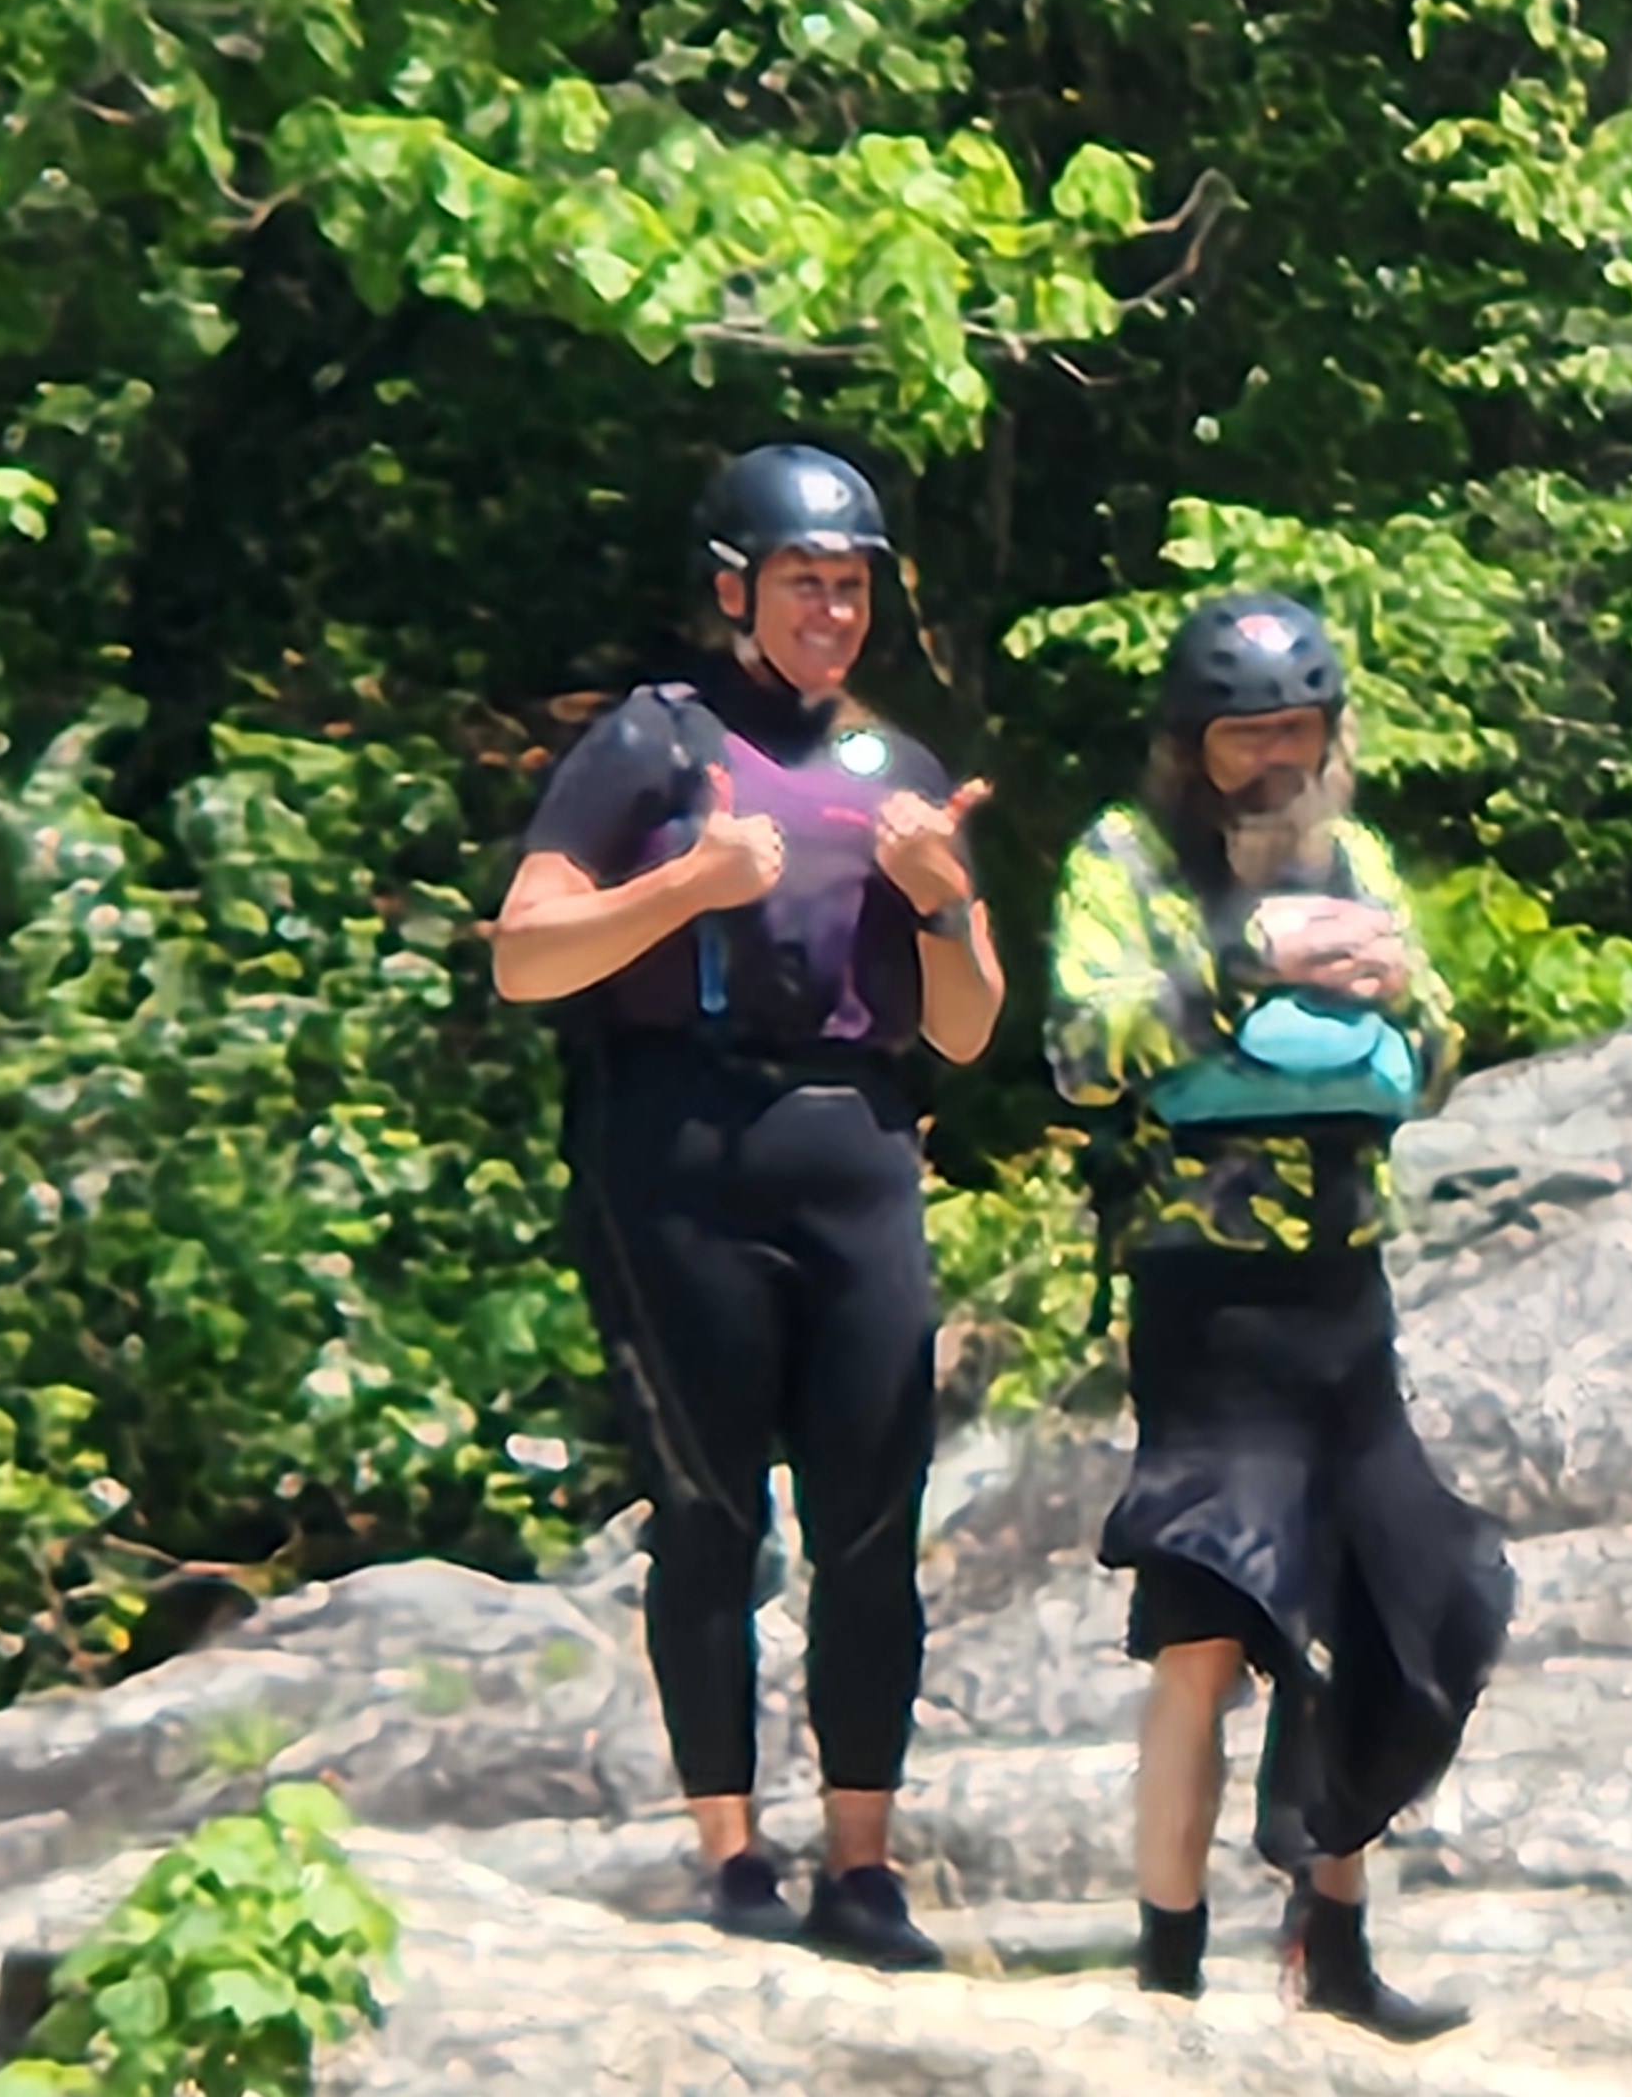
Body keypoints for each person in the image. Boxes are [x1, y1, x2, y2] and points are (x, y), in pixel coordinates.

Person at [490, 443, 1001, 1972]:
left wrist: (945, 899)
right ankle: (730, 1854)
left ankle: (863, 1865)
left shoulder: (898, 770)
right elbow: (525, 954)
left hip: (855, 1145)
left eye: (850, 587)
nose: (830, 613)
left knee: (873, 1515)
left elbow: (968, 1028)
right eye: (802, 584)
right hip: (681, 1143)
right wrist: (686, 888)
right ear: (736, 590)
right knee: (711, 1508)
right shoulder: (655, 742)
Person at [1045, 591, 1512, 2040]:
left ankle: (1338, 1948)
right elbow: (1080, 1048)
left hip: (1342, 1292)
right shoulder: (1125, 863)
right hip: (1206, 1298)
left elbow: (1438, 1050)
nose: (1274, 761)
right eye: (1245, 736)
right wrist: (1245, 967)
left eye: (1297, 732)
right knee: (1205, 1624)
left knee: (1378, 1609)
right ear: (1191, 744)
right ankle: (1168, 1964)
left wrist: (1396, 994)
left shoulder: (1353, 859)